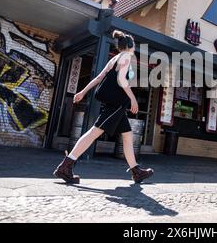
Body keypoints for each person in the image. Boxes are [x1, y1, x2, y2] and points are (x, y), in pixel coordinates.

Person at [53, 30, 154, 184]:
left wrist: (83, 91)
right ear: (131, 45)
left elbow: (99, 78)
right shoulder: (127, 57)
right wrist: (133, 98)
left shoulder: (114, 59)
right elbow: (122, 80)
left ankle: (136, 171)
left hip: (116, 106)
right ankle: (66, 166)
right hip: (116, 105)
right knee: (93, 133)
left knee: (127, 136)